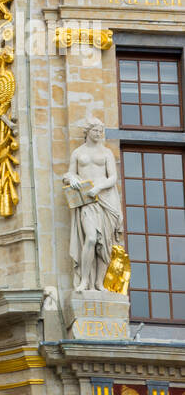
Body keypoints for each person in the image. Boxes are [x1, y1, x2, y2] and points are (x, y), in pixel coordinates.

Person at [63, 118, 125, 291]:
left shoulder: (106, 153)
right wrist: (73, 178)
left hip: (105, 198)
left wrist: (98, 187)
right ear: (87, 132)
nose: (99, 134)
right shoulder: (78, 152)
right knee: (90, 238)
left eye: (100, 131)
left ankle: (99, 282)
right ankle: (84, 280)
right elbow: (69, 173)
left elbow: (113, 177)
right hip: (88, 200)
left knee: (104, 243)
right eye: (95, 131)